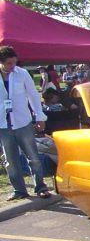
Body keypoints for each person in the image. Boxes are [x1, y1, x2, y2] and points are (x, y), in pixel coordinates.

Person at [0, 46, 51, 200]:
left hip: (23, 122)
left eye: (14, 62)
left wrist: (39, 116)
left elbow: (33, 95)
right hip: (3, 125)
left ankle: (40, 186)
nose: (12, 66)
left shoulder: (22, 74)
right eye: (8, 63)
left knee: (33, 157)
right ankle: (19, 190)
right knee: (11, 161)